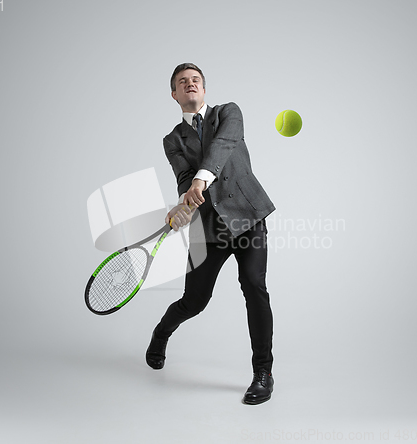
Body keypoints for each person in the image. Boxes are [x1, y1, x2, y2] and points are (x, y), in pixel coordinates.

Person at [146, 63, 276, 405]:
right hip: (208, 228)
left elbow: (223, 146)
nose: (190, 84)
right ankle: (161, 334)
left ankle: (263, 372)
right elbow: (185, 178)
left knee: (254, 286)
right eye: (182, 83)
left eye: (196, 80)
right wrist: (182, 205)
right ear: (174, 94)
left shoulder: (228, 113)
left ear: (203, 89)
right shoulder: (172, 139)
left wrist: (201, 180)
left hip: (249, 217)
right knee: (194, 301)